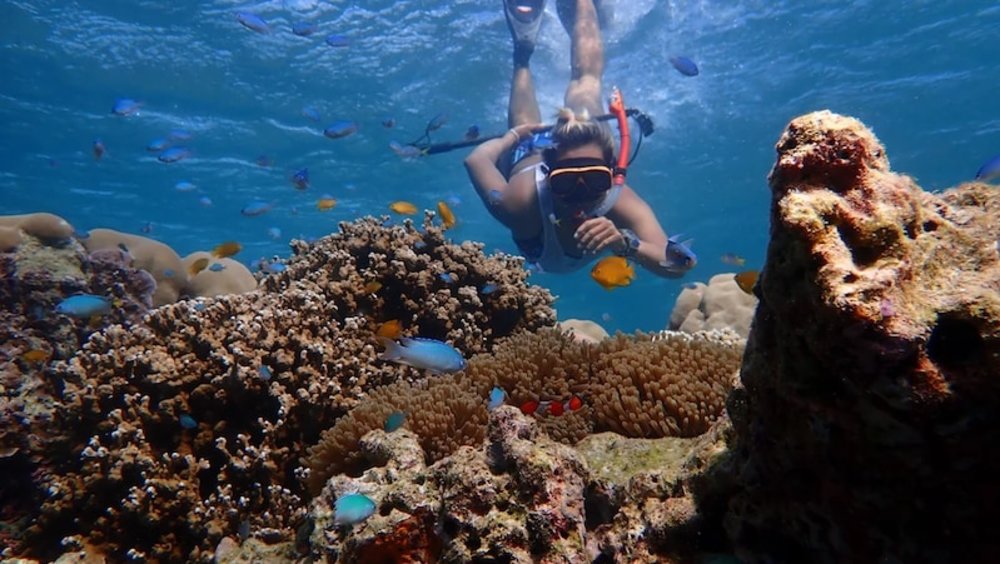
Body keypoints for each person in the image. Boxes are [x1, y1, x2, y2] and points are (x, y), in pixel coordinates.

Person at [464, 0, 696, 276]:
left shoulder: (616, 200)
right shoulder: (523, 202)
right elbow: (476, 160)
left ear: (611, 173)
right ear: (548, 175)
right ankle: (523, 52)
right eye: (565, 182)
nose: (580, 195)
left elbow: (677, 266)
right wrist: (512, 138)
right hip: (529, 156)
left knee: (586, 87)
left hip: (549, 157)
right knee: (529, 123)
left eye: (596, 179)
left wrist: (625, 244)